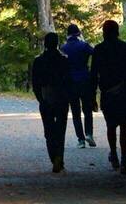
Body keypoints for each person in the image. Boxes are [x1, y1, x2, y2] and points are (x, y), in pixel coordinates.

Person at [89, 20, 126, 174]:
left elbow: (94, 75)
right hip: (125, 93)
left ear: (104, 32)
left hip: (108, 93)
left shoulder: (99, 50)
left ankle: (114, 154)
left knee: (111, 126)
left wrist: (92, 96)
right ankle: (124, 159)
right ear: (117, 32)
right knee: (125, 126)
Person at [29, 32, 72, 173]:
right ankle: (60, 157)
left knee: (49, 130)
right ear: (57, 43)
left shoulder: (39, 61)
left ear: (45, 44)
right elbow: (68, 81)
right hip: (62, 98)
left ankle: (54, 157)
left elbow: (35, 82)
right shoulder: (64, 60)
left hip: (46, 96)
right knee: (61, 129)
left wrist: (40, 98)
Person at [61, 24, 96, 148]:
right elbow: (95, 53)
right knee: (87, 109)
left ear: (68, 34)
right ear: (78, 33)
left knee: (76, 112)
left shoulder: (63, 48)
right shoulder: (84, 46)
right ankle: (89, 134)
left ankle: (80, 140)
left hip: (70, 83)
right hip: (85, 80)